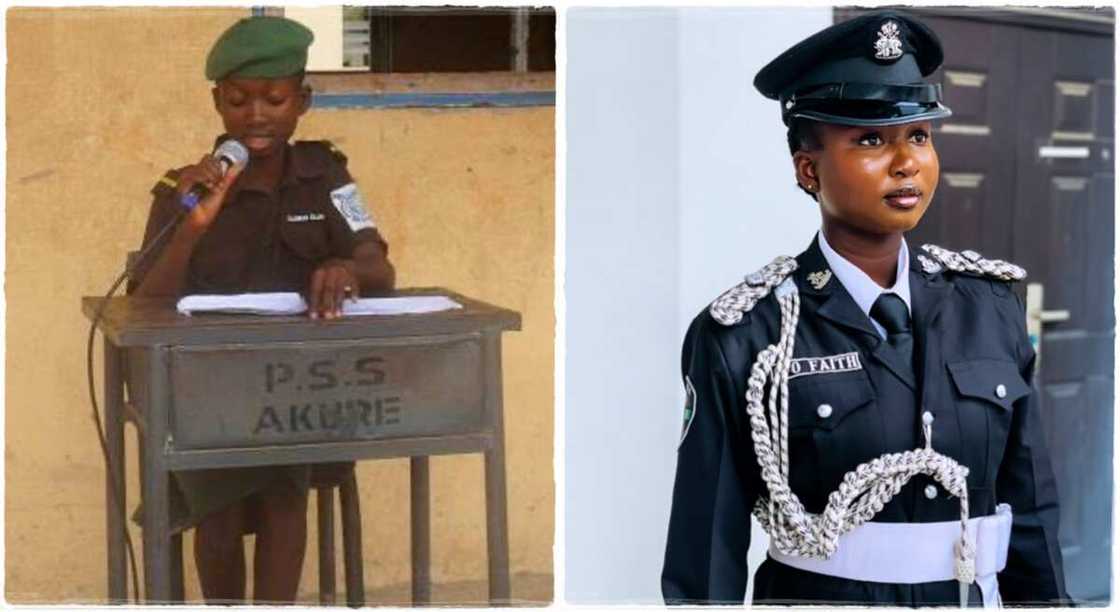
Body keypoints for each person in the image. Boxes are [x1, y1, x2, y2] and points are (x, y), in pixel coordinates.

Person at [661, 11, 1068, 607]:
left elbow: (1030, 511)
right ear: (808, 170)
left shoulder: (991, 307)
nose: (906, 162)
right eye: (871, 141)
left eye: (920, 136)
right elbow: (703, 560)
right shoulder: (747, 335)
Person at [127, 16, 394, 603]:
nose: (256, 115)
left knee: (283, 481)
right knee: (219, 501)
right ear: (217, 103)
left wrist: (348, 269)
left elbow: (379, 265)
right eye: (238, 99)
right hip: (207, 387)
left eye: (274, 98)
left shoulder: (326, 176)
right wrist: (191, 228)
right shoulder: (184, 189)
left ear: (302, 100)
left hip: (297, 386)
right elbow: (144, 305)